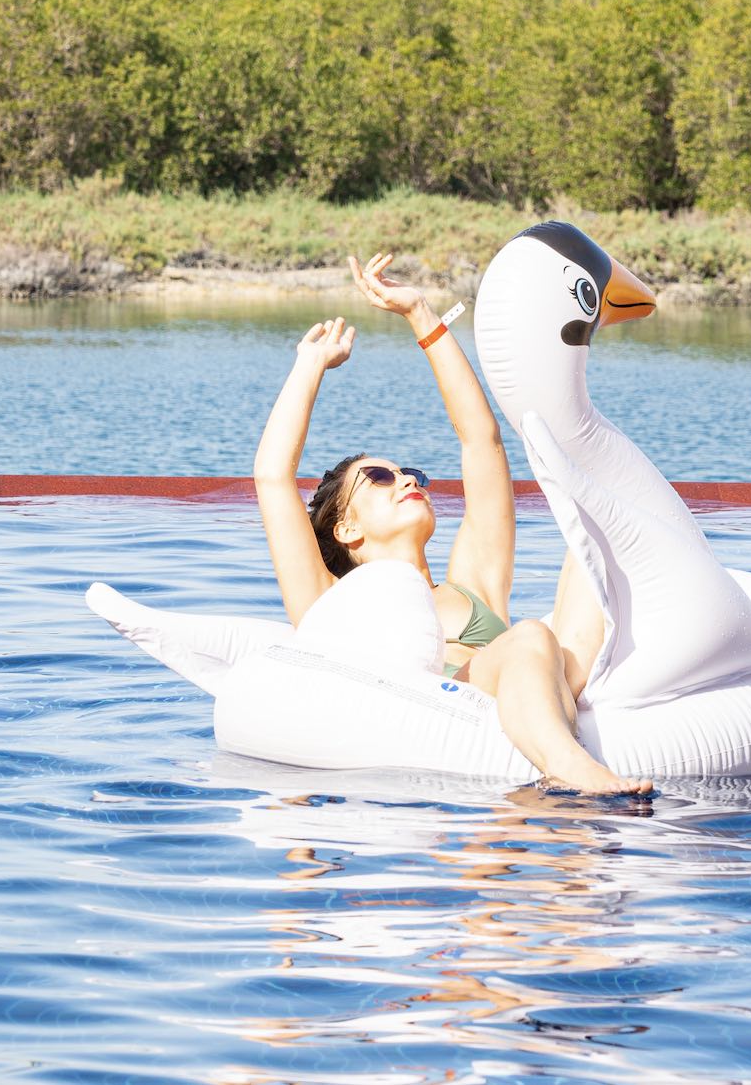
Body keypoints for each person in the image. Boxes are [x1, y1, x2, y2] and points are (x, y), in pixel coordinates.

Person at [253, 251, 652, 796]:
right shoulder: (328, 603)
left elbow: (480, 441)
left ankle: (588, 734)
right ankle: (570, 765)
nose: (407, 481)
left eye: (410, 472)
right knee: (531, 634)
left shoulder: (472, 583)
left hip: (537, 681)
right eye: (380, 478)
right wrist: (310, 365)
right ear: (345, 529)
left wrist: (421, 313)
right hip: (444, 724)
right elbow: (273, 477)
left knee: (596, 532)